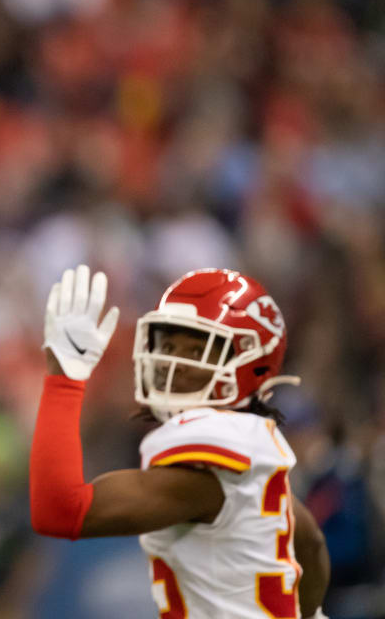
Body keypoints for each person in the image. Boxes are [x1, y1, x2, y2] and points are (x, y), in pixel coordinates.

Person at [29, 264, 331, 618]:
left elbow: (60, 511)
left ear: (250, 362)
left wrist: (63, 380)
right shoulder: (251, 449)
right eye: (169, 344)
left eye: (197, 349)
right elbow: (309, 542)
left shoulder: (207, 462)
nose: (175, 361)